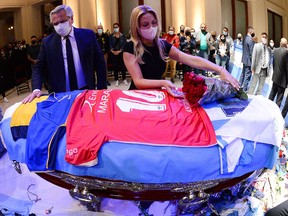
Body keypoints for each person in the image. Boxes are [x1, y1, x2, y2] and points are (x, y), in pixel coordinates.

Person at [122, 5, 240, 98]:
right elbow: (139, 81)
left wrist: (220, 70)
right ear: (136, 27)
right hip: (137, 96)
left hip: (157, 96)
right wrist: (163, 83)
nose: (151, 27)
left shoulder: (162, 45)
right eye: (145, 25)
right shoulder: (130, 47)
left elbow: (190, 59)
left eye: (154, 23)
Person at [22, 4, 107, 104]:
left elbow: (100, 63)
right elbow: (38, 67)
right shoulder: (47, 42)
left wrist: (101, 90)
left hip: (86, 90)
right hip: (60, 94)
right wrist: (36, 89)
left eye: (62, 21)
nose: (59, 26)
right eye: (55, 24)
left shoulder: (88, 35)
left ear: (71, 19)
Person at [268, 38, 288, 107]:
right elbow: (287, 68)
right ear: (286, 45)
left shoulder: (275, 50)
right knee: (279, 99)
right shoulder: (286, 53)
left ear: (280, 43)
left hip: (275, 77)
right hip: (283, 80)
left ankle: (266, 108)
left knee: (272, 95)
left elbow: (273, 64)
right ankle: (275, 114)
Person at [109, 22, 128, 87]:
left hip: (121, 53)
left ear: (119, 27)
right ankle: (116, 79)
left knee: (122, 66)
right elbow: (110, 44)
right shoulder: (111, 36)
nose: (115, 28)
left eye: (116, 27)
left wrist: (120, 51)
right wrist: (112, 51)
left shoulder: (122, 36)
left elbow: (124, 45)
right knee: (115, 66)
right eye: (114, 27)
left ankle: (124, 78)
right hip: (113, 53)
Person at [239, 26, 255, 92]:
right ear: (250, 31)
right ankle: (244, 90)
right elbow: (251, 52)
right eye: (253, 32)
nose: (254, 33)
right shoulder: (250, 40)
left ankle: (239, 86)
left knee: (243, 74)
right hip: (249, 60)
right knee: (247, 76)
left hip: (244, 59)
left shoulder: (245, 38)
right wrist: (253, 62)